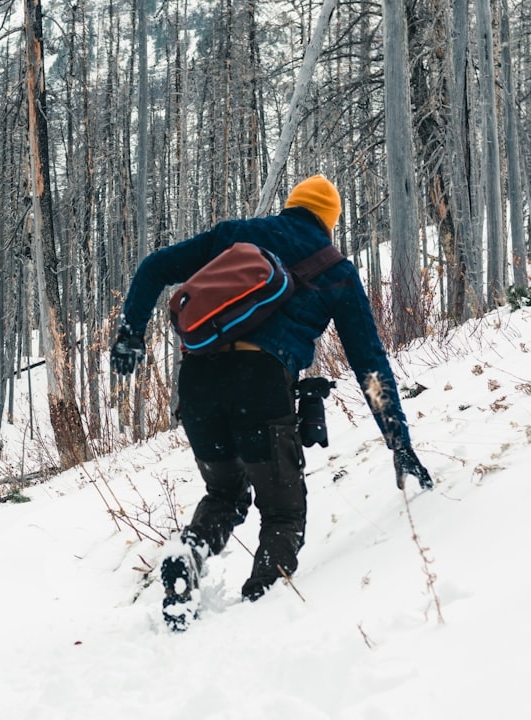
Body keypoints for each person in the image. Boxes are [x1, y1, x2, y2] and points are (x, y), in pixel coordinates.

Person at [109, 175, 433, 621]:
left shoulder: (237, 235)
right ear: (329, 222)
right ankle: (258, 613)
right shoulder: (336, 271)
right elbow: (370, 364)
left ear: (291, 206)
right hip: (259, 383)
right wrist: (399, 441)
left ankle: (187, 556)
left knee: (225, 494)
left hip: (198, 381)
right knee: (282, 513)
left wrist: (131, 333)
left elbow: (153, 267)